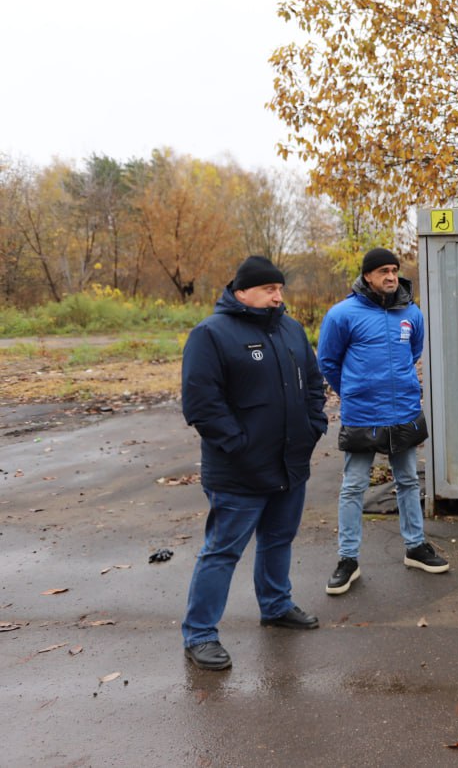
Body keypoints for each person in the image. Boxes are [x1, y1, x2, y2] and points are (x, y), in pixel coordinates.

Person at [180, 256, 328, 671]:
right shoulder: (211, 334)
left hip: (290, 464)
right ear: (241, 291)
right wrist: (239, 445)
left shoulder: (291, 329)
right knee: (222, 552)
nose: (277, 296)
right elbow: (201, 404)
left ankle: (276, 605)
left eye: (280, 289)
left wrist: (313, 425)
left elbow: (313, 384)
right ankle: (200, 634)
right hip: (238, 470)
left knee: (279, 540)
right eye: (268, 289)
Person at [318, 248, 448, 596]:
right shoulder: (342, 314)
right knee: (353, 487)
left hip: (404, 412)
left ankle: (416, 547)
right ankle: (348, 560)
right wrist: (356, 391)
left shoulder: (411, 313)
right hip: (363, 416)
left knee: (407, 481)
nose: (391, 276)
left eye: (394, 270)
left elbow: (413, 352)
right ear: (367, 277)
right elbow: (328, 361)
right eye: (383, 271)